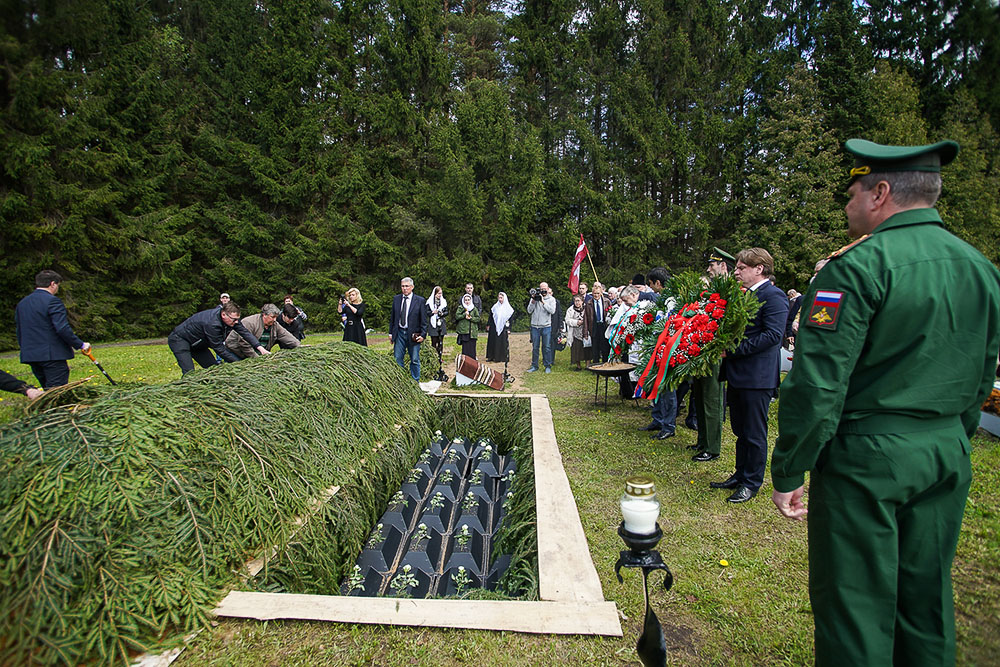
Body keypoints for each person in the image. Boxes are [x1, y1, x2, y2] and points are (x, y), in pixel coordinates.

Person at [770, 139, 1000, 666]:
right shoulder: (980, 268)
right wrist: (950, 437)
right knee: (926, 601)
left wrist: (790, 468)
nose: (846, 203)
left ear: (880, 192)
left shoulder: (856, 268)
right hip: (945, 451)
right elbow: (982, 373)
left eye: (851, 192)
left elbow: (819, 384)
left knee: (855, 605)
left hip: (867, 458)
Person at [710, 248, 788, 501]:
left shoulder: (773, 296)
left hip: (757, 377)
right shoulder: (745, 295)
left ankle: (752, 482)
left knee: (754, 433)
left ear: (759, 269)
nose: (737, 272)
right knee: (741, 430)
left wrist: (732, 349)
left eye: (742, 268)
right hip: (739, 375)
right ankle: (740, 473)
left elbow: (773, 336)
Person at [690, 247, 735, 462]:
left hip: (716, 354)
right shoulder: (714, 289)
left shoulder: (732, 290)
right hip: (701, 351)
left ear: (723, 266)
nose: (708, 269)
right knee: (699, 396)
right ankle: (702, 440)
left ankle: (713, 447)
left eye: (712, 265)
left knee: (711, 399)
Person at [15, 270, 91, 389]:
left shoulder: (23, 303)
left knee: (47, 390)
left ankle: (46, 407)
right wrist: (80, 344)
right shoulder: (52, 301)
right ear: (52, 284)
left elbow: (20, 330)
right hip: (52, 355)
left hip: (32, 355)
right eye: (58, 285)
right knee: (56, 392)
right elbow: (62, 328)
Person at [635, 267, 678, 441]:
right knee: (656, 384)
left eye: (652, 284)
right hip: (658, 346)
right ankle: (658, 419)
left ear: (658, 283)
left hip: (669, 348)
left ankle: (668, 426)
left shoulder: (673, 300)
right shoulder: (662, 299)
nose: (651, 288)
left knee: (667, 389)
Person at [168, 302, 268, 374]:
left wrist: (260, 348)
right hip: (180, 340)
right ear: (224, 315)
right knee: (189, 372)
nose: (236, 322)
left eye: (238, 319)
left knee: (214, 369)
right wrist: (239, 364)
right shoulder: (211, 324)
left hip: (199, 344)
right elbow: (219, 349)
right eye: (234, 319)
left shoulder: (232, 320)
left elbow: (245, 332)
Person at [225, 303, 301, 358]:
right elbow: (244, 344)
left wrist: (299, 345)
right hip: (236, 352)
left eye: (276, 317)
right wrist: (257, 358)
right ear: (264, 315)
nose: (275, 320)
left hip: (257, 354)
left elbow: (285, 335)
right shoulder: (250, 323)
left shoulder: (274, 324)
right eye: (272, 317)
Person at [389, 277, 427, 381]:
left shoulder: (420, 300)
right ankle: (400, 381)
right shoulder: (396, 299)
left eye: (407, 286)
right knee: (397, 358)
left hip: (413, 333)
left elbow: (423, 320)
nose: (405, 288)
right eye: (403, 286)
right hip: (399, 333)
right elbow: (393, 317)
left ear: (412, 287)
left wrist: (423, 335)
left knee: (414, 359)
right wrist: (390, 333)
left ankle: (415, 381)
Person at [526, 282, 557, 374]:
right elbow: (529, 310)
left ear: (548, 289)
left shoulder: (551, 299)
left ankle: (547, 365)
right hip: (535, 326)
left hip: (546, 326)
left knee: (546, 347)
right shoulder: (535, 298)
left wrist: (543, 302)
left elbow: (552, 311)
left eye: (544, 288)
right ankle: (534, 365)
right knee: (535, 347)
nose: (543, 290)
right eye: (541, 288)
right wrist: (533, 301)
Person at [583, 282, 611, 365]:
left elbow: (611, 313)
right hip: (594, 326)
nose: (596, 295)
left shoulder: (607, 301)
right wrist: (585, 332)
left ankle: (605, 363)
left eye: (598, 293)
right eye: (594, 294)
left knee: (605, 347)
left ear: (601, 293)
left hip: (604, 326)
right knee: (595, 347)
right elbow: (586, 318)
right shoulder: (588, 303)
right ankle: (596, 364)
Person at [485, 292, 514, 362]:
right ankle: (491, 356)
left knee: (502, 342)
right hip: (494, 326)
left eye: (501, 298)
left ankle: (501, 357)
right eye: (499, 298)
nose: (500, 299)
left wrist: (509, 328)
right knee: (492, 341)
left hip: (504, 327)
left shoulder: (509, 309)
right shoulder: (495, 307)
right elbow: (491, 317)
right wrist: (488, 325)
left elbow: (510, 319)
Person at [454, 293, 480, 358]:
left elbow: (478, 318)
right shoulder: (461, 308)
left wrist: (471, 318)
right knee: (465, 348)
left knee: (472, 347)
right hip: (464, 331)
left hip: (472, 331)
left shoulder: (474, 309)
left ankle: (473, 360)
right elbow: (457, 316)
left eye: (468, 300)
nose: (467, 301)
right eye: (466, 300)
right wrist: (464, 315)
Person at [564, 294, 586, 370]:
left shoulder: (587, 308)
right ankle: (578, 366)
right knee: (576, 349)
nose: (577, 303)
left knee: (587, 349)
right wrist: (576, 322)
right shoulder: (570, 310)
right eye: (575, 301)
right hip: (574, 332)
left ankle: (587, 365)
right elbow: (567, 320)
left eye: (578, 301)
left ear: (582, 301)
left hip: (585, 331)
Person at [426, 286, 448, 356]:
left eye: (441, 293)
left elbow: (447, 312)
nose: (440, 295)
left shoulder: (443, 302)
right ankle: (434, 356)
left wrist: (442, 313)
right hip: (433, 323)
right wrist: (433, 312)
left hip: (441, 322)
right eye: (438, 293)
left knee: (440, 341)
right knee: (434, 341)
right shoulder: (429, 302)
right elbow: (426, 312)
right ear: (435, 294)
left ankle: (440, 356)